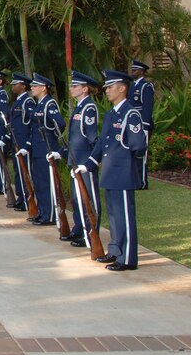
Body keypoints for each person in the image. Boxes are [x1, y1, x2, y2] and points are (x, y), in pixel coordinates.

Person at [76, 70, 148, 271]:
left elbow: (138, 146)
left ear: (122, 88)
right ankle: (116, 251)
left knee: (124, 216)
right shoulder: (111, 113)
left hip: (123, 173)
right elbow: (101, 143)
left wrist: (124, 157)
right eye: (106, 86)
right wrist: (89, 163)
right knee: (114, 216)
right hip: (110, 172)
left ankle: (127, 258)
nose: (106, 90)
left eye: (110, 86)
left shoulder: (130, 113)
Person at [65, 70, 100, 248]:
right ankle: (80, 228)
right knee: (77, 198)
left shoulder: (89, 108)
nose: (71, 88)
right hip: (75, 159)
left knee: (88, 197)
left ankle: (91, 231)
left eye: (75, 86)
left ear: (85, 89)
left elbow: (92, 138)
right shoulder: (79, 106)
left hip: (84, 160)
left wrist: (90, 162)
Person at [26, 73, 65, 226]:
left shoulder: (49, 104)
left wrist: (51, 138)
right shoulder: (39, 104)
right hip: (37, 147)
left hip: (46, 147)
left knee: (46, 182)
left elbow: (59, 124)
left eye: (35, 86)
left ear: (43, 88)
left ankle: (49, 215)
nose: (32, 88)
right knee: (39, 181)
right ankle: (42, 211)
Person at [6, 72, 35, 212]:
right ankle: (21, 197)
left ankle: (27, 199)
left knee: (25, 172)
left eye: (15, 84)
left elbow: (31, 124)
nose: (12, 86)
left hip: (24, 143)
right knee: (18, 171)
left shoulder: (28, 102)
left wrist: (28, 143)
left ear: (23, 86)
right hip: (16, 141)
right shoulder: (18, 101)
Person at [129, 59, 155, 190]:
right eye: (132, 70)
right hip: (133, 124)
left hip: (142, 124)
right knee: (133, 152)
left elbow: (147, 107)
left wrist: (145, 125)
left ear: (142, 72)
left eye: (135, 70)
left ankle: (142, 182)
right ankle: (135, 179)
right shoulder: (133, 85)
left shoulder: (146, 86)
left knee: (142, 154)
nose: (133, 72)